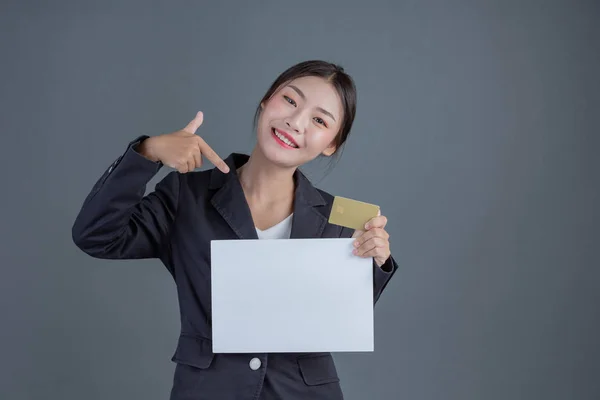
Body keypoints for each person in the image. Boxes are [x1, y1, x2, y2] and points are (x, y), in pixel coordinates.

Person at [72, 60, 399, 400]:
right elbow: (96, 235)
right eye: (290, 100)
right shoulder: (186, 195)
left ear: (331, 143)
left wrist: (375, 263)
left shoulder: (341, 219)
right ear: (266, 100)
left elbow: (339, 320)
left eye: (319, 120)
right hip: (208, 389)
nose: (295, 121)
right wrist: (147, 152)